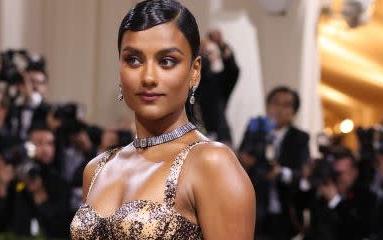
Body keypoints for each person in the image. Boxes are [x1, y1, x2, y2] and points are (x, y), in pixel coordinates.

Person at [70, 0, 255, 239]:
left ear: (194, 71)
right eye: (133, 60)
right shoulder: (97, 169)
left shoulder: (211, 164)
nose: (148, 77)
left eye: (167, 61)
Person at [239, 86, 310, 240]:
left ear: (294, 112)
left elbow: (302, 173)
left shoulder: (300, 138)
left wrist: (281, 172)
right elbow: (242, 157)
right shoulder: (255, 129)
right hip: (256, 209)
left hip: (284, 212)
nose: (278, 109)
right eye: (275, 103)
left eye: (286, 105)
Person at [9, 126, 70, 239]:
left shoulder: (60, 182)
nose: (45, 149)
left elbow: (60, 226)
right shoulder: (15, 175)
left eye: (50, 144)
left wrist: (38, 194)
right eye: (39, 143)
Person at [197, 30, 240, 145]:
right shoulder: (190, 81)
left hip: (220, 136)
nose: (206, 57)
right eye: (203, 53)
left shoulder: (218, 81)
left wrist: (222, 45)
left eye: (210, 53)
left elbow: (233, 71)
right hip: (196, 137)